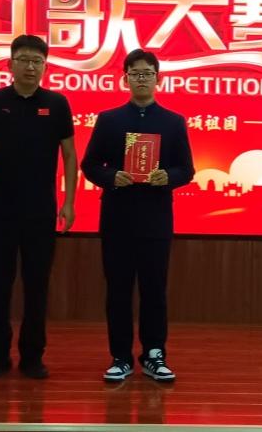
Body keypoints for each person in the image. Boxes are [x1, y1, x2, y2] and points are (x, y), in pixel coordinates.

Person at [81, 49, 194, 383]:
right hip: (117, 218)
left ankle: (154, 354)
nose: (141, 79)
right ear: (125, 79)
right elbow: (90, 164)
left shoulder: (173, 122)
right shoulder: (110, 120)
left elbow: (186, 169)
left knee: (154, 290)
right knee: (118, 290)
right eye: (135, 74)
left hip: (156, 220)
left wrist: (168, 177)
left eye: (147, 74)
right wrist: (111, 176)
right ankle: (120, 356)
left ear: (158, 78)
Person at [0, 34, 76, 380]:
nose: (31, 66)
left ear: (45, 66)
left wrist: (69, 203)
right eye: (24, 59)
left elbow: (70, 156)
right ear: (10, 64)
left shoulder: (57, 104)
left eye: (37, 61)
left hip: (41, 211)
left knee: (37, 285)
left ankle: (32, 356)